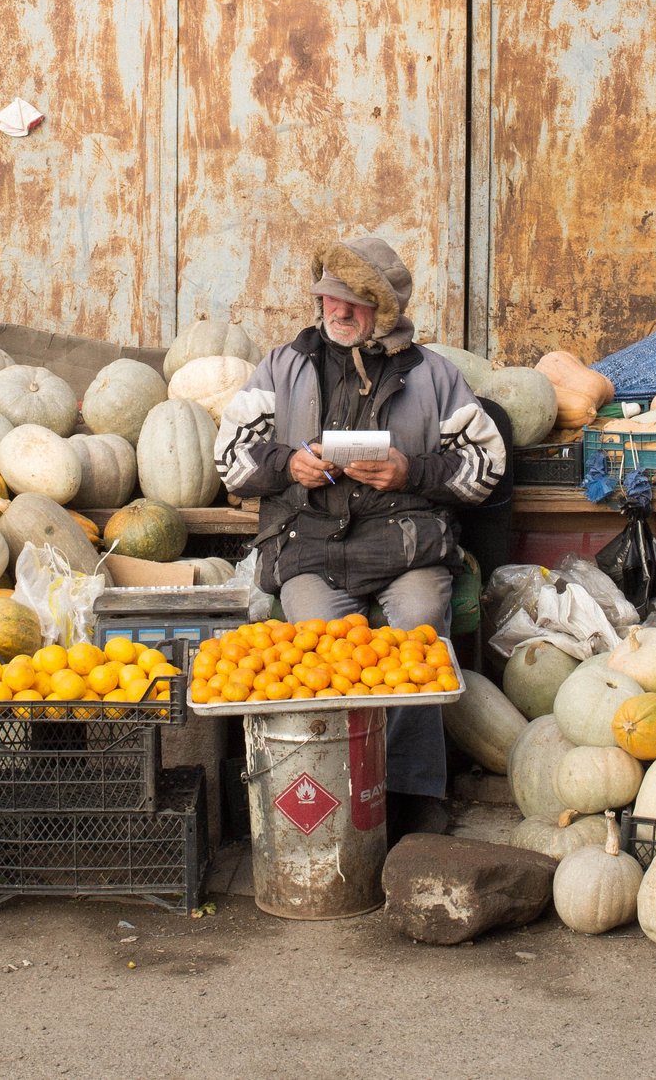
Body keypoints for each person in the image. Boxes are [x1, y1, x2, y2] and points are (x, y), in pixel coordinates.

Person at [216, 236, 506, 837]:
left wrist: (411, 471)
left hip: (407, 545)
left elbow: (486, 466)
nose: (339, 311)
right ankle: (334, 787)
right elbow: (231, 458)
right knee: (317, 645)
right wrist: (287, 465)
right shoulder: (283, 366)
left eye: (356, 302)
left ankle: (409, 788)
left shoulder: (432, 374)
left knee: (419, 631)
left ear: (385, 310)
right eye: (330, 297)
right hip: (310, 546)